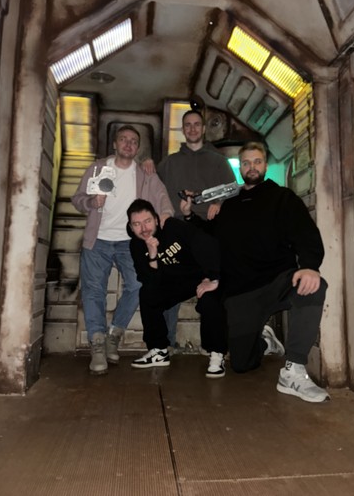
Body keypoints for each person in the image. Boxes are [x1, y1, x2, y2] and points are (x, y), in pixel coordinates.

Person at [181, 141, 330, 403]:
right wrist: (190, 216)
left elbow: (305, 233)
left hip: (277, 281)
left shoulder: (282, 198)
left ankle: (293, 370)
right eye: (246, 163)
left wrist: (309, 266)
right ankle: (264, 340)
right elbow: (212, 239)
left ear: (265, 166)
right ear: (240, 168)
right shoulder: (229, 206)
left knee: (313, 286)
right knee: (242, 364)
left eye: (257, 161)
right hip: (241, 293)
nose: (252, 167)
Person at [72, 125, 174, 375]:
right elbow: (78, 199)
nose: (128, 144)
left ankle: (113, 335)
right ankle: (97, 345)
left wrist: (165, 215)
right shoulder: (97, 168)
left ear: (137, 148)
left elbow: (162, 197)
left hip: (129, 243)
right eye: (123, 139)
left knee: (138, 285)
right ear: (115, 144)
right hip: (98, 240)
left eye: (133, 141)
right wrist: (91, 201)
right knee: (93, 291)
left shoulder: (145, 173)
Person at [157, 109, 236, 345]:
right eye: (188, 125)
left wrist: (219, 203)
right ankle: (165, 343)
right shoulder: (169, 162)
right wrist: (148, 164)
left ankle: (214, 346)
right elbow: (151, 186)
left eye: (196, 124)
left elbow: (233, 191)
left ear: (203, 129)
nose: (192, 128)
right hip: (177, 231)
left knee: (215, 286)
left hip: (209, 231)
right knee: (167, 281)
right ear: (183, 130)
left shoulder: (219, 161)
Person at [127, 199, 227, 378]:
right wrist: (152, 255)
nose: (143, 228)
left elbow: (206, 243)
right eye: (137, 224)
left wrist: (213, 277)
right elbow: (150, 281)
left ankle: (217, 353)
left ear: (156, 219)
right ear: (131, 227)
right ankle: (158, 350)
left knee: (210, 298)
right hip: (175, 283)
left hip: (200, 274)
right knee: (147, 293)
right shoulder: (136, 245)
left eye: (147, 221)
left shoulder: (172, 227)